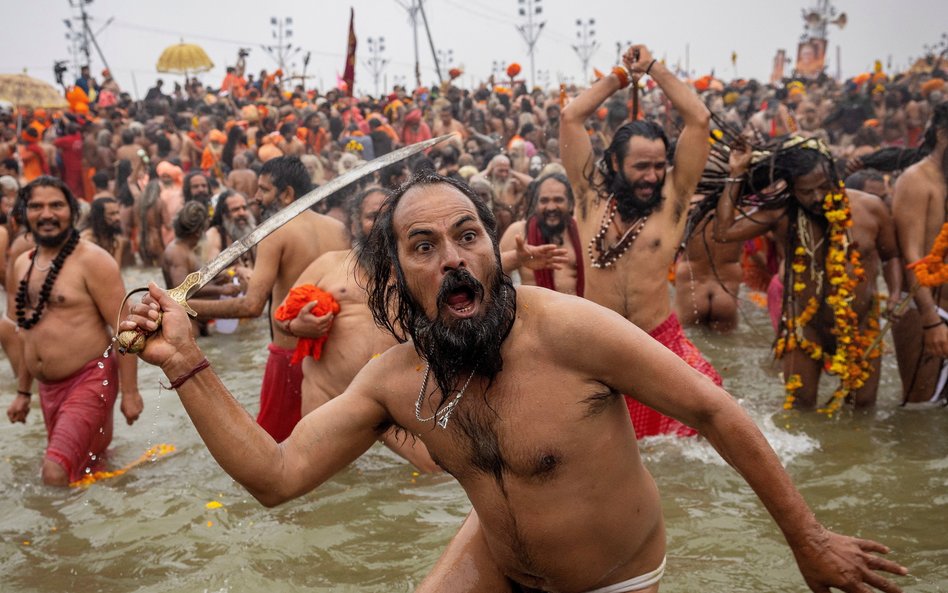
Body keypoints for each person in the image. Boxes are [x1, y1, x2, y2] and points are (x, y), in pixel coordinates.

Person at [122, 173, 907, 593]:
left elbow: (716, 407)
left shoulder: (569, 329)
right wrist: (184, 361)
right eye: (424, 246)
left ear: (493, 248)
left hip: (612, 575)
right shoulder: (395, 380)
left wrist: (809, 540)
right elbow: (274, 474)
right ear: (395, 276)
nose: (454, 257)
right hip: (497, 558)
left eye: (467, 235)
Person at [560, 44, 721, 438]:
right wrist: (619, 77)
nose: (652, 176)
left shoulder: (673, 201)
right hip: (597, 345)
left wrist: (653, 68)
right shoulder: (589, 198)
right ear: (616, 163)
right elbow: (571, 116)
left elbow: (699, 119)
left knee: (688, 440)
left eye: (658, 165)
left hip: (658, 345)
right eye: (641, 167)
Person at [713, 136, 901, 410]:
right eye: (806, 191)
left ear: (836, 177)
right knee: (799, 408)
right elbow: (722, 232)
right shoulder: (781, 214)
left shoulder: (870, 207)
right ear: (793, 190)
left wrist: (895, 293)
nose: (817, 197)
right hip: (805, 327)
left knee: (863, 409)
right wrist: (736, 173)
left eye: (824, 187)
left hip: (861, 326)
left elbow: (891, 255)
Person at [187, 157, 350, 441]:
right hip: (337, 361)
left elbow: (251, 306)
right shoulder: (339, 230)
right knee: (331, 449)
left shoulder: (275, 232)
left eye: (264, 190)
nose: (256, 197)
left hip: (290, 359)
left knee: (270, 453)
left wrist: (185, 307)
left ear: (287, 194)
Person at [277, 187, 437, 471]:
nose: (380, 222)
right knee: (321, 487)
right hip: (328, 395)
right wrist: (298, 325)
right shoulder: (329, 264)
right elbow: (282, 316)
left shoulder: (417, 269)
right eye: (371, 216)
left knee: (436, 472)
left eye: (388, 215)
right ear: (354, 224)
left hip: (390, 398)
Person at [7, 176, 142, 486]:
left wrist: (131, 393)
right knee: (83, 469)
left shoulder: (93, 260)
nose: (47, 214)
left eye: (56, 205)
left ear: (72, 211)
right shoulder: (21, 265)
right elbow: (26, 331)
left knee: (54, 471)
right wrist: (23, 393)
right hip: (47, 389)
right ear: (24, 213)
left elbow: (126, 328)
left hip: (90, 379)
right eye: (37, 206)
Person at [891, 101, 948, 407]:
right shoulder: (916, 180)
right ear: (941, 135)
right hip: (927, 312)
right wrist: (930, 321)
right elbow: (910, 255)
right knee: (919, 410)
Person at [499, 172, 582, 295]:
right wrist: (516, 258)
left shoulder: (581, 232)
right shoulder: (518, 232)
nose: (551, 207)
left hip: (579, 311)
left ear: (570, 204)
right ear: (536, 205)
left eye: (558, 200)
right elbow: (491, 274)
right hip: (534, 312)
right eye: (544, 201)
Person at [674, 195, 743, 333]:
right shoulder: (740, 210)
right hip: (726, 291)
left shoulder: (689, 206)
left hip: (692, 289)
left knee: (684, 346)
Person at [79, 197, 127, 267]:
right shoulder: (87, 240)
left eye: (117, 213)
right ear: (99, 217)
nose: (117, 218)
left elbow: (116, 268)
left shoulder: (117, 240)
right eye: (112, 214)